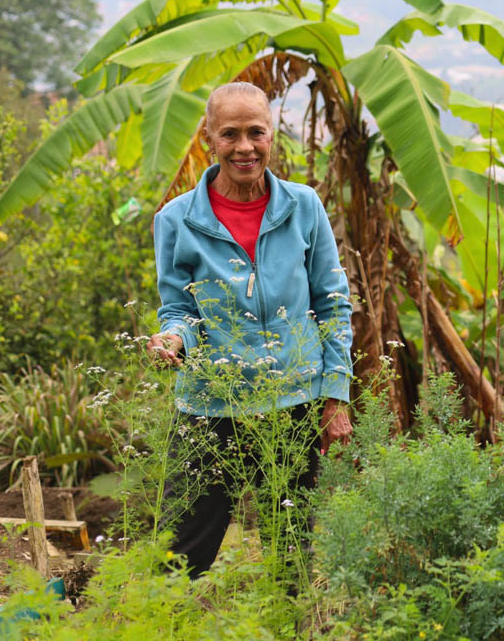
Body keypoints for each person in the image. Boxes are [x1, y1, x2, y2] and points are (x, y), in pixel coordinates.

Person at [146, 81, 354, 578]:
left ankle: (289, 628)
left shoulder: (303, 207)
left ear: (271, 135)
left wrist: (335, 395)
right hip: (210, 403)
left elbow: (333, 304)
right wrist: (173, 338)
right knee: (178, 552)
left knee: (291, 554)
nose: (244, 146)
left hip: (292, 400)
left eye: (256, 132)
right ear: (208, 138)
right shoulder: (176, 220)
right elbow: (178, 307)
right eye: (230, 134)